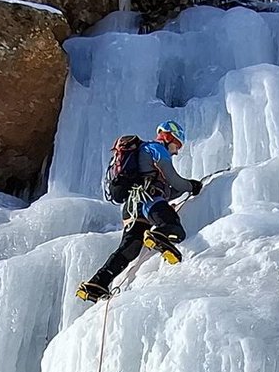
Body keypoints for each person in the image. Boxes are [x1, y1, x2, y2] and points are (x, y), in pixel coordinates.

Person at [76, 120, 202, 301]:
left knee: (130, 249)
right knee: (174, 228)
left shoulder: (143, 157)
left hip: (131, 209)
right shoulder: (155, 148)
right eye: (177, 146)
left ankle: (97, 284)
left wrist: (183, 190)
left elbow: (169, 189)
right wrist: (192, 185)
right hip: (148, 200)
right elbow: (174, 179)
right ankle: (158, 236)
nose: (176, 152)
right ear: (168, 138)